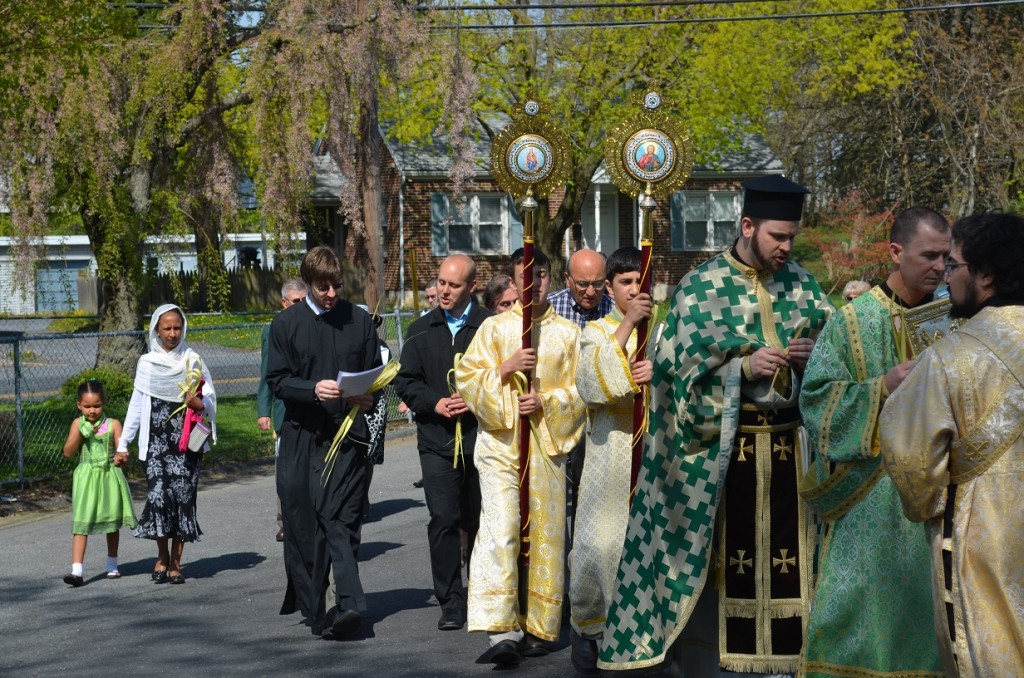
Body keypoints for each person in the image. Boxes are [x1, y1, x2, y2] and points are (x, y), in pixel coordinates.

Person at [600, 175, 833, 674]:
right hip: (723, 466)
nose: (787, 247)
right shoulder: (702, 288)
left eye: (792, 236)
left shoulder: (805, 286)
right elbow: (670, 381)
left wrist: (818, 359)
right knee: (721, 576)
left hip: (793, 464)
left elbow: (838, 367)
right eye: (777, 236)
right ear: (748, 226)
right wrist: (742, 369)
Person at [798, 207, 950, 677]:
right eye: (929, 256)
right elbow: (816, 403)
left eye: (946, 258)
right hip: (868, 500)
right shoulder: (850, 321)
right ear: (895, 252)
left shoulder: (950, 317)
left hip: (933, 494)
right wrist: (882, 385)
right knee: (855, 619)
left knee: (929, 621)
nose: (940, 268)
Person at [879, 212, 1024, 677]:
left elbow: (910, 458)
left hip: (985, 540)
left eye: (955, 265)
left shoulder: (950, 356)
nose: (946, 275)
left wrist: (928, 504)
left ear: (986, 275)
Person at [454, 246, 585, 665]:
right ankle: (502, 628)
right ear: (514, 281)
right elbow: (467, 378)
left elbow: (582, 391)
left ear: (550, 277)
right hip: (500, 447)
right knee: (502, 529)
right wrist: (506, 368)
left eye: (541, 275)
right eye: (524, 278)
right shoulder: (494, 329)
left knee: (546, 535)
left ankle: (539, 625)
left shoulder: (567, 333)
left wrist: (545, 402)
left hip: (546, 448)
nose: (534, 284)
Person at [266, 245, 382, 639]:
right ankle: (320, 605)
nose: (331, 294)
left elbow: (375, 375)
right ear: (309, 282)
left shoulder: (359, 321)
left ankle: (347, 605)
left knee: (341, 518)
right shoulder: (286, 326)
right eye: (322, 287)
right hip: (303, 435)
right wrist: (313, 389)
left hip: (349, 434)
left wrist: (369, 397)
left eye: (336, 285)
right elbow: (277, 381)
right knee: (306, 525)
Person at [394, 254, 490, 632]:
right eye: (441, 283)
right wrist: (434, 402)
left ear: (472, 286)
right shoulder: (420, 329)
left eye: (454, 285)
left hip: (481, 440)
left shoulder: (489, 327)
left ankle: (483, 591)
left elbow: (503, 377)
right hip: (437, 441)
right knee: (444, 519)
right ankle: (451, 599)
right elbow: (405, 381)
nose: (444, 291)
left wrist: (476, 397)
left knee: (481, 520)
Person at [569, 246, 653, 673]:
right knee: (601, 545)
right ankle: (592, 631)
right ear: (610, 288)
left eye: (641, 281)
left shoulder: (663, 329)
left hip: (653, 454)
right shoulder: (598, 331)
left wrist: (660, 376)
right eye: (625, 283)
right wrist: (629, 326)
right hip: (609, 456)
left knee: (650, 548)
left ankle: (649, 639)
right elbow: (590, 380)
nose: (635, 290)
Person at [119, 304, 216, 586]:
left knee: (184, 499)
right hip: (156, 445)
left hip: (186, 444)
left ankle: (176, 562)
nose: (173, 334)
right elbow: (137, 405)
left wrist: (201, 403)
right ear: (156, 330)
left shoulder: (193, 360)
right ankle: (161, 555)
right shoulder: (147, 363)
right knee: (159, 498)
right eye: (167, 328)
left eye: (177, 328)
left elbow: (210, 398)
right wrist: (124, 442)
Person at [549, 248, 615, 544]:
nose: (590, 292)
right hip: (558, 416)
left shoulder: (616, 312)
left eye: (598, 284)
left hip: (601, 418)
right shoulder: (549, 311)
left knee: (592, 501)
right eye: (582, 284)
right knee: (557, 498)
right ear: (567, 279)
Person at [61, 380, 137, 587]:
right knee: (81, 521)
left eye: (96, 405)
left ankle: (112, 563)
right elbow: (68, 452)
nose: (92, 410)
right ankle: (77, 570)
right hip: (86, 476)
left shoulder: (113, 424)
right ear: (79, 405)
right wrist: (81, 431)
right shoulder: (78, 424)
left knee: (111, 519)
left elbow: (122, 449)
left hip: (109, 475)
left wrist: (121, 456)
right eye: (87, 406)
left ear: (104, 403)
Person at [258, 279, 307, 542]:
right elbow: (267, 371)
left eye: (303, 301)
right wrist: (263, 410)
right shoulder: (273, 330)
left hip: (310, 407)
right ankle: (285, 521)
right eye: (295, 302)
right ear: (284, 302)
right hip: (283, 410)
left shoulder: (313, 325)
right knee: (285, 470)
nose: (300, 306)